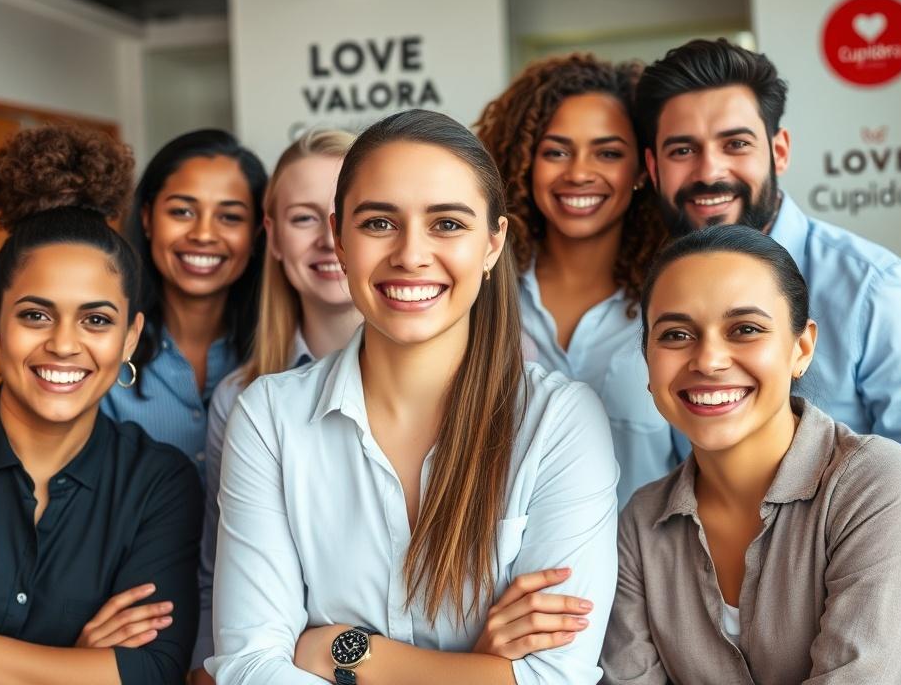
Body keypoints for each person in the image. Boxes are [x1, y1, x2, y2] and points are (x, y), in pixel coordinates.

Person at [206, 109, 619, 685]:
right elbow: (250, 666)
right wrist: (478, 668)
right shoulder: (270, 416)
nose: (410, 254)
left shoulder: (560, 421)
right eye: (379, 223)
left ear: (493, 243)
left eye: (447, 224)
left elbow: (556, 677)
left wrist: (346, 655)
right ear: (340, 239)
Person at [0, 127, 202, 685]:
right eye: (35, 315)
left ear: (130, 338)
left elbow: (152, 672)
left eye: (97, 320)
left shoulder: (159, 482)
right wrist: (73, 667)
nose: (63, 343)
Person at [601, 224, 901, 684]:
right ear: (648, 361)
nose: (708, 360)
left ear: (801, 348)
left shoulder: (880, 484)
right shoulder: (640, 523)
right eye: (675, 335)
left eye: (745, 329)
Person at [634, 38, 901, 447]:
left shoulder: (877, 292)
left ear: (778, 151)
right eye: (682, 149)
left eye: (736, 144)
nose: (709, 170)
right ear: (654, 169)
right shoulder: (645, 290)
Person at [190, 128, 362, 681]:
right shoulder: (241, 400)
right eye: (304, 218)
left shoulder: (479, 376)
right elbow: (218, 573)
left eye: (350, 214)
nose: (329, 239)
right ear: (273, 235)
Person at [477, 53, 673, 506]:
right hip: (507, 573)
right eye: (556, 152)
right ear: (524, 161)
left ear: (643, 168)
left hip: (649, 571)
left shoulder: (676, 301)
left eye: (607, 153)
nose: (579, 173)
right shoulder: (479, 291)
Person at [101, 129, 267, 478]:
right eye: (182, 211)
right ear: (147, 218)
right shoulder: (102, 349)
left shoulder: (280, 358)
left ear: (255, 234)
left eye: (230, 217)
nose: (204, 234)